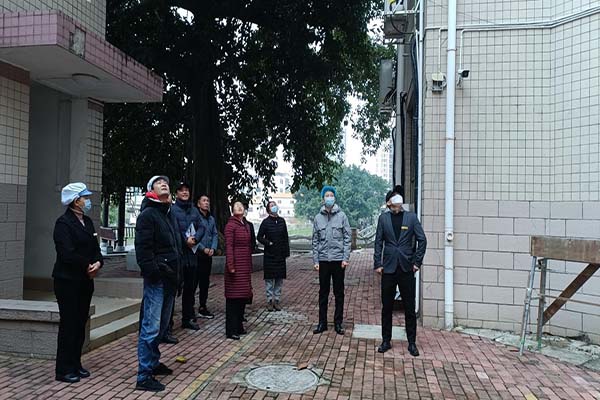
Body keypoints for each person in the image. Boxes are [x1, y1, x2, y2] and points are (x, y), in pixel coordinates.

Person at [135, 176, 182, 392]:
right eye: (159, 182)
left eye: (166, 183)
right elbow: (143, 251)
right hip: (158, 280)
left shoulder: (168, 214)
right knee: (151, 327)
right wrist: (155, 272)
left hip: (170, 279)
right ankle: (144, 375)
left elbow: (176, 247)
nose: (164, 184)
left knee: (161, 327)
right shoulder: (148, 215)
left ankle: (153, 363)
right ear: (151, 190)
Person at [53, 182, 103, 383]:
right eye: (85, 197)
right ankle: (63, 369)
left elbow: (95, 248)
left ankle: (75, 363)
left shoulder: (88, 222)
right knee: (69, 324)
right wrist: (87, 265)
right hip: (68, 281)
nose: (88, 201)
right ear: (76, 201)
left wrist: (98, 262)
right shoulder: (63, 223)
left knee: (81, 323)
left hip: (85, 281)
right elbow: (66, 253)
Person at [373, 186, 427, 356]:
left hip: (406, 267)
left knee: (409, 307)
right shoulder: (383, 219)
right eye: (394, 199)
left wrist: (417, 262)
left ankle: (412, 343)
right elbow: (378, 242)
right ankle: (386, 340)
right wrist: (378, 263)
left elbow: (422, 240)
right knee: (387, 307)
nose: (397, 202)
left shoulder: (411, 218)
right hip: (388, 268)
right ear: (389, 203)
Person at [312, 185, 351, 335]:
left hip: (338, 260)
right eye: (326, 195)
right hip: (323, 260)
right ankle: (322, 323)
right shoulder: (318, 218)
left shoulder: (342, 216)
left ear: (334, 198)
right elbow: (315, 241)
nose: (329, 198)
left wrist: (345, 258)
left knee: (339, 293)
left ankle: (338, 323)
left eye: (331, 195)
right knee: (323, 293)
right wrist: (316, 260)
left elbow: (347, 238)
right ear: (323, 198)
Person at [171, 182, 204, 330]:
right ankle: (168, 323)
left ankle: (187, 318)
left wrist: (195, 239)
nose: (184, 193)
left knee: (190, 289)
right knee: (173, 289)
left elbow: (202, 227)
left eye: (187, 190)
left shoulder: (194, 210)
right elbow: (173, 230)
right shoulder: (172, 210)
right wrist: (185, 241)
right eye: (181, 190)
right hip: (179, 255)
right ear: (176, 193)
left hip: (192, 255)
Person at [224, 201, 253, 340]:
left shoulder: (246, 225)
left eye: (241, 205)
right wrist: (231, 265)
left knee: (242, 297)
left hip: (244, 265)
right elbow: (229, 246)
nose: (239, 207)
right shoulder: (230, 226)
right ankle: (231, 329)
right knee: (233, 299)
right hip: (235, 265)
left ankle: (239, 326)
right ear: (232, 210)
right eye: (236, 206)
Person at [257, 201, 290, 311]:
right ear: (268, 209)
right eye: (271, 205)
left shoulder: (282, 221)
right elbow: (259, 237)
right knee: (269, 279)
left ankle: (277, 300)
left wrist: (286, 252)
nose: (274, 207)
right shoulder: (265, 222)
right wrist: (268, 243)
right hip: (270, 255)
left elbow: (285, 237)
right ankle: (269, 300)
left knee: (279, 279)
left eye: (275, 205)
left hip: (280, 254)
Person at [195, 194, 218, 320]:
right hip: (197, 254)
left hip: (208, 255)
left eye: (208, 201)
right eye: (204, 201)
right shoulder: (195, 217)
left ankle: (203, 306)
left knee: (205, 282)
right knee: (194, 282)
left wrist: (213, 248)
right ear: (198, 204)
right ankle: (190, 308)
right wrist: (203, 248)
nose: (206, 203)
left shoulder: (211, 219)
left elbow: (215, 234)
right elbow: (192, 236)